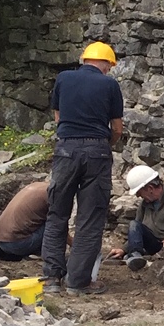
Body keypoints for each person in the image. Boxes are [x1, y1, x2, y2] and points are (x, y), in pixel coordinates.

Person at [41, 41, 123, 296]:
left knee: (57, 214)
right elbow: (117, 128)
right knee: (90, 218)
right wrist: (102, 143)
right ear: (107, 65)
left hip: (65, 150)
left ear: (84, 59)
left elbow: (58, 117)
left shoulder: (64, 79)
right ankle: (78, 282)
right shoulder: (110, 85)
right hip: (97, 152)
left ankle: (52, 279)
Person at [0, 181, 49, 260]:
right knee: (52, 223)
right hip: (17, 245)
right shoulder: (52, 194)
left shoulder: (37, 185)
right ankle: (45, 253)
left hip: (0, 240)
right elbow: (59, 226)